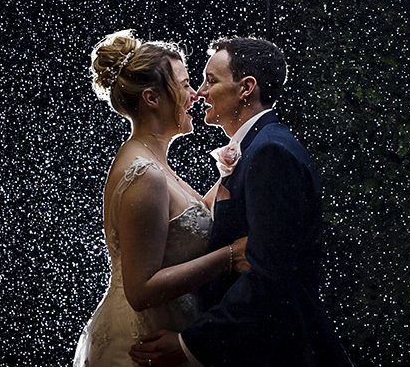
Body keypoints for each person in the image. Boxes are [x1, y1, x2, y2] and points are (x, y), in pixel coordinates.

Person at [130, 37, 351, 367]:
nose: (200, 92)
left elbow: (269, 277)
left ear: (246, 88)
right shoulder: (258, 147)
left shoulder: (270, 152)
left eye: (211, 80)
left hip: (277, 354)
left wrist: (190, 344)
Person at [74, 30, 250, 367]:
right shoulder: (145, 174)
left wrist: (230, 170)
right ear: (153, 98)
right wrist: (228, 256)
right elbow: (141, 291)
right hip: (143, 345)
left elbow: (188, 220)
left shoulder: (152, 163)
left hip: (168, 331)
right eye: (184, 85)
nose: (196, 94)